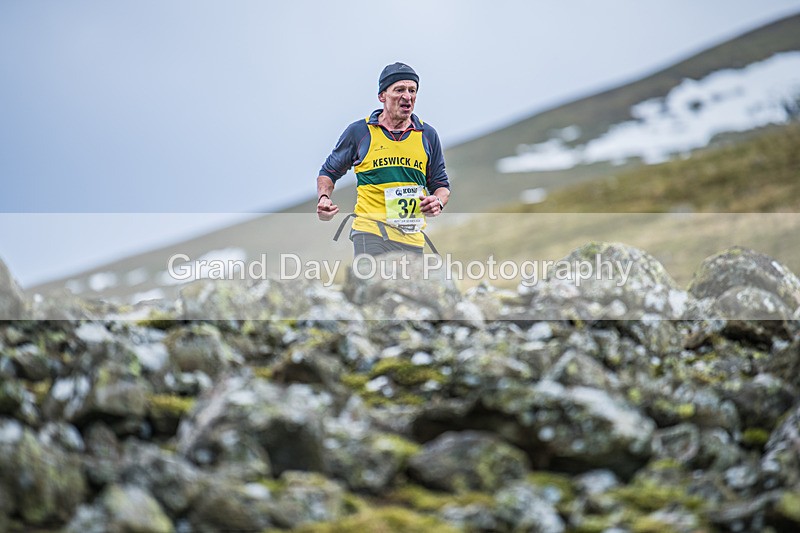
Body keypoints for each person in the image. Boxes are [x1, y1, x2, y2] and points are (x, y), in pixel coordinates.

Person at [316, 62, 450, 256]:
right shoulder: (360, 132)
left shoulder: (427, 135)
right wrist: (324, 198)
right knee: (374, 284)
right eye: (399, 90)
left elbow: (441, 185)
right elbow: (328, 173)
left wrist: (437, 201)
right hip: (370, 232)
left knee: (406, 287)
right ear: (382, 96)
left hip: (412, 238)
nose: (407, 96)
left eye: (412, 90)